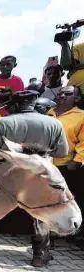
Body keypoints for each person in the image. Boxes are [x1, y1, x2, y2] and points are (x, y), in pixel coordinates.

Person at [0, 90, 69, 267]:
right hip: (40, 178)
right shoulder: (54, 124)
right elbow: (62, 152)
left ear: (14, 105)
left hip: (7, 175)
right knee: (41, 215)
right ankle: (40, 255)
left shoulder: (0, 123)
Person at [48, 86, 84, 244]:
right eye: (61, 93)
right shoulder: (49, 113)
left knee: (68, 200)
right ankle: (50, 231)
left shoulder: (81, 116)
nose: (62, 96)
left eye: (68, 94)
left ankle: (72, 231)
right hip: (47, 164)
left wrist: (77, 160)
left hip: (67, 165)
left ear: (77, 99)